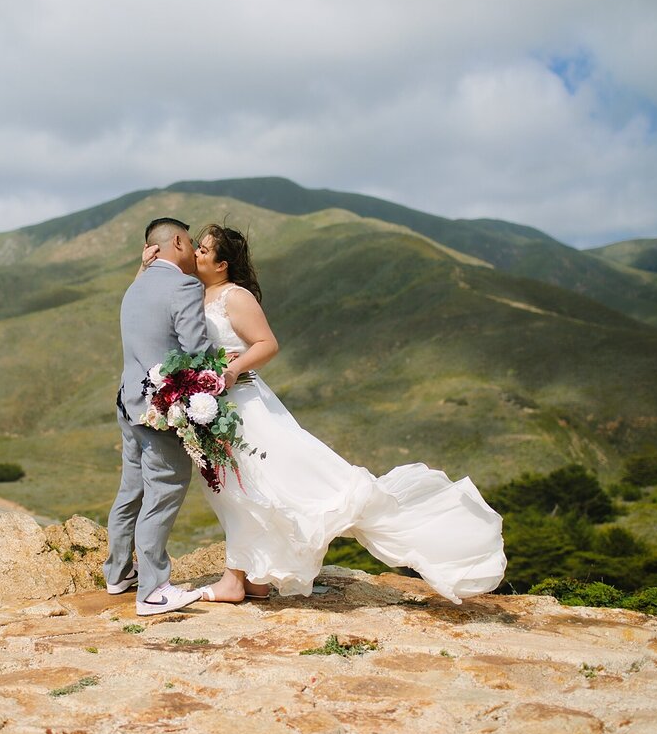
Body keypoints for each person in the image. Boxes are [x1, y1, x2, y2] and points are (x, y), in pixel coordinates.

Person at [142, 224, 507, 603]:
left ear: (222, 264)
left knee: (247, 488)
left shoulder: (235, 297)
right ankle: (256, 579)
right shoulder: (197, 292)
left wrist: (231, 371)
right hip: (216, 407)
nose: (196, 254)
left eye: (203, 250)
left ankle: (235, 581)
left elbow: (267, 344)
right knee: (236, 490)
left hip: (245, 406)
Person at [104, 217, 212, 616]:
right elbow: (197, 350)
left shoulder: (135, 286)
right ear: (179, 241)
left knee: (131, 488)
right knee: (164, 488)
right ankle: (153, 589)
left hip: (127, 401)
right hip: (160, 408)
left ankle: (118, 573)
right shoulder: (183, 286)